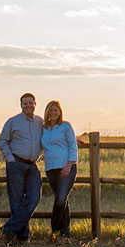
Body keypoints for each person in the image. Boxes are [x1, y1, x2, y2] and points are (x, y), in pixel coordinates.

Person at [0, 92, 43, 241]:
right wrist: (10, 159)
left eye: (31, 103)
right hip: (16, 163)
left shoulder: (40, 122)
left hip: (33, 165)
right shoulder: (13, 122)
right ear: (21, 105)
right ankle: (23, 236)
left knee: (34, 197)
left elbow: (54, 134)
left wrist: (72, 139)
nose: (28, 105)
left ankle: (8, 228)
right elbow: (3, 141)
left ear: (35, 104)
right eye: (25, 103)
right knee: (16, 200)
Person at [40, 99, 79, 238]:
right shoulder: (44, 128)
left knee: (61, 199)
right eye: (50, 110)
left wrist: (68, 165)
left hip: (66, 167)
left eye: (55, 110)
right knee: (61, 198)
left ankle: (54, 227)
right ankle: (65, 231)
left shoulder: (65, 126)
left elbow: (73, 146)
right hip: (51, 168)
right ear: (46, 112)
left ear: (60, 112)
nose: (53, 112)